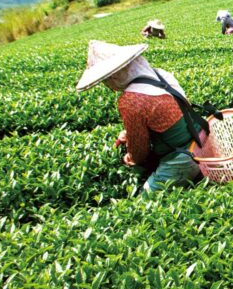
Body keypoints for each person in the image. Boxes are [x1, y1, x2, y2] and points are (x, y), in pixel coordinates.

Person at [77, 40, 205, 194]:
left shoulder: (131, 100)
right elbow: (166, 116)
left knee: (143, 200)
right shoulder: (159, 75)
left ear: (116, 75)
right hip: (203, 138)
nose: (108, 85)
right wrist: (130, 133)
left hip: (184, 157)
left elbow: (139, 153)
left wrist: (130, 157)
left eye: (107, 80)